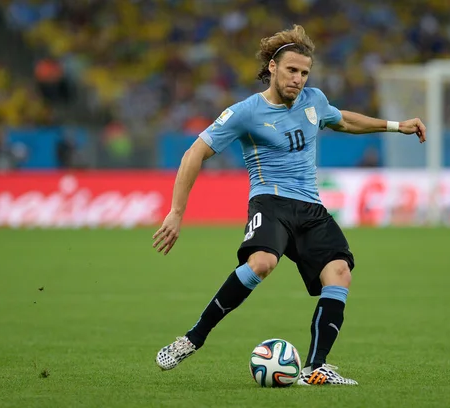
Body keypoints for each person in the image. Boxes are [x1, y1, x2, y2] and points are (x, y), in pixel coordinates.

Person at [152, 25, 426, 385]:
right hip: (271, 201)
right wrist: (176, 211)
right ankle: (193, 337)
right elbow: (194, 153)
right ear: (272, 68)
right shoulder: (245, 112)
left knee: (340, 272)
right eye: (291, 71)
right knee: (262, 263)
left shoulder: (314, 100)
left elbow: (342, 119)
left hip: (310, 207)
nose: (298, 79)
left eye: (304, 72)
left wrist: (396, 126)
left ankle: (316, 368)